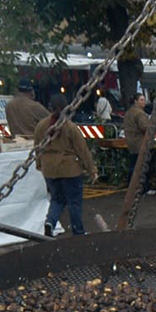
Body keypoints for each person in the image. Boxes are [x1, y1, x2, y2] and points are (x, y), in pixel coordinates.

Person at [34, 93, 97, 238]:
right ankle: (78, 231)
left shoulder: (41, 126)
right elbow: (82, 150)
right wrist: (91, 169)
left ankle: (50, 221)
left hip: (49, 169)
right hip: (69, 169)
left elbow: (37, 147)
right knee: (74, 202)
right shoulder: (70, 127)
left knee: (57, 199)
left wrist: (40, 165)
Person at [122, 93, 152, 194]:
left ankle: (131, 186)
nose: (143, 102)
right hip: (140, 142)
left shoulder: (129, 112)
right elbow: (144, 127)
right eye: (141, 100)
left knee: (133, 165)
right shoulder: (140, 114)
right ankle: (143, 188)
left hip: (131, 142)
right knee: (142, 166)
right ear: (136, 101)